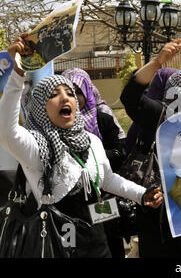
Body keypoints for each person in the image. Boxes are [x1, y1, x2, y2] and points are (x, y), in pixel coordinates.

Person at [0, 34, 163, 258]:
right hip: (57, 246)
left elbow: (107, 180)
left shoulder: (91, 140)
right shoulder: (35, 145)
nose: (65, 98)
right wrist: (18, 73)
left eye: (70, 93)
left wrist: (143, 195)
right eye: (54, 95)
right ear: (40, 108)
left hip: (96, 243)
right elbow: (6, 131)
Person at [120, 39, 181, 258]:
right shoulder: (159, 114)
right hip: (159, 213)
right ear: (176, 89)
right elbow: (130, 97)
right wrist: (158, 61)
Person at [61, 67, 127, 258]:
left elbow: (120, 152)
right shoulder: (57, 124)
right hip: (69, 203)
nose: (73, 97)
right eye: (68, 91)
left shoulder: (103, 117)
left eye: (78, 91)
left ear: (88, 91)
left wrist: (90, 157)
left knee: (108, 241)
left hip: (101, 195)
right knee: (70, 246)